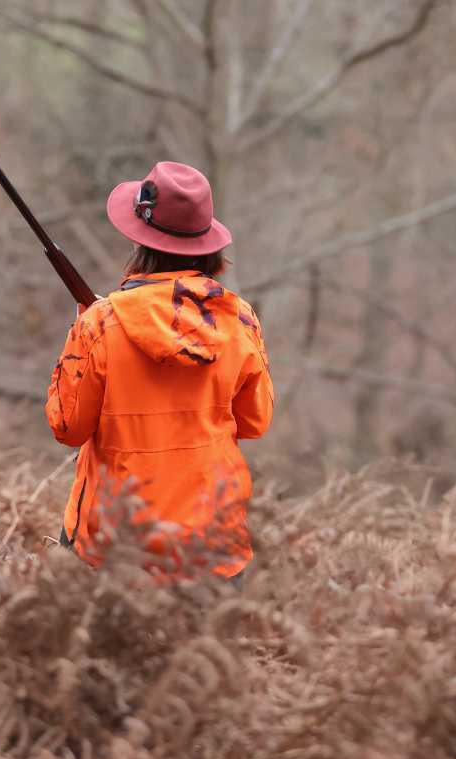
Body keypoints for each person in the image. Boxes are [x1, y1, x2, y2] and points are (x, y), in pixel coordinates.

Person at [45, 160, 273, 582]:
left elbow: (67, 427)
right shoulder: (241, 319)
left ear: (141, 241)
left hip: (113, 548)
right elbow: (255, 421)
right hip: (212, 548)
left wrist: (80, 336)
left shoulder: (100, 324)